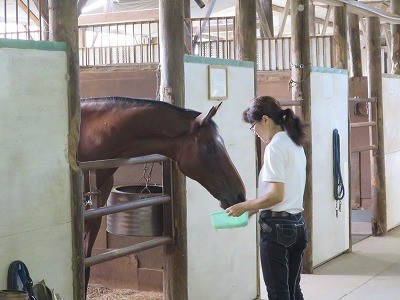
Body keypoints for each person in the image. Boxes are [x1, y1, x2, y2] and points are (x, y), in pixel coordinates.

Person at [226, 95, 309, 300]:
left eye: (253, 126)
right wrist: (250, 211)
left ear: (265, 120)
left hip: (277, 230)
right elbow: (283, 195)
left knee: (278, 294)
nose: (254, 132)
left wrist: (244, 206)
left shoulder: (274, 147)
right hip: (297, 226)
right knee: (293, 290)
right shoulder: (294, 142)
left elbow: (276, 195)